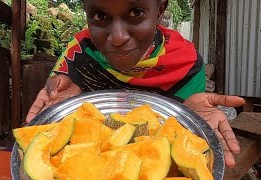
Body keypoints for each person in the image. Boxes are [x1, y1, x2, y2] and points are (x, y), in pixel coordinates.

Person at [25, 0, 245, 168]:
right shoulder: (79, 51)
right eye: (100, 16)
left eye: (136, 12)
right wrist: (61, 98)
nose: (118, 37)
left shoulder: (186, 61)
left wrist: (192, 117)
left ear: (160, 9)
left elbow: (181, 140)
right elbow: (58, 103)